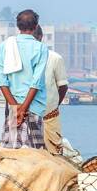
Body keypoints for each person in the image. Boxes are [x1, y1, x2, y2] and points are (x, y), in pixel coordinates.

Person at [0, 9, 48, 149]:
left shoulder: (5, 46)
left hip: (13, 106)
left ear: (18, 27)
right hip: (34, 106)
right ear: (36, 26)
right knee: (35, 153)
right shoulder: (41, 48)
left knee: (9, 151)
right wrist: (23, 108)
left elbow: (1, 80)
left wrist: (15, 107)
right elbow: (36, 82)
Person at [33, 26, 69, 154]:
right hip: (27, 117)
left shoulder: (54, 58)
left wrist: (54, 105)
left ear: (40, 38)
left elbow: (63, 86)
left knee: (55, 154)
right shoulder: (19, 59)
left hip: (50, 116)